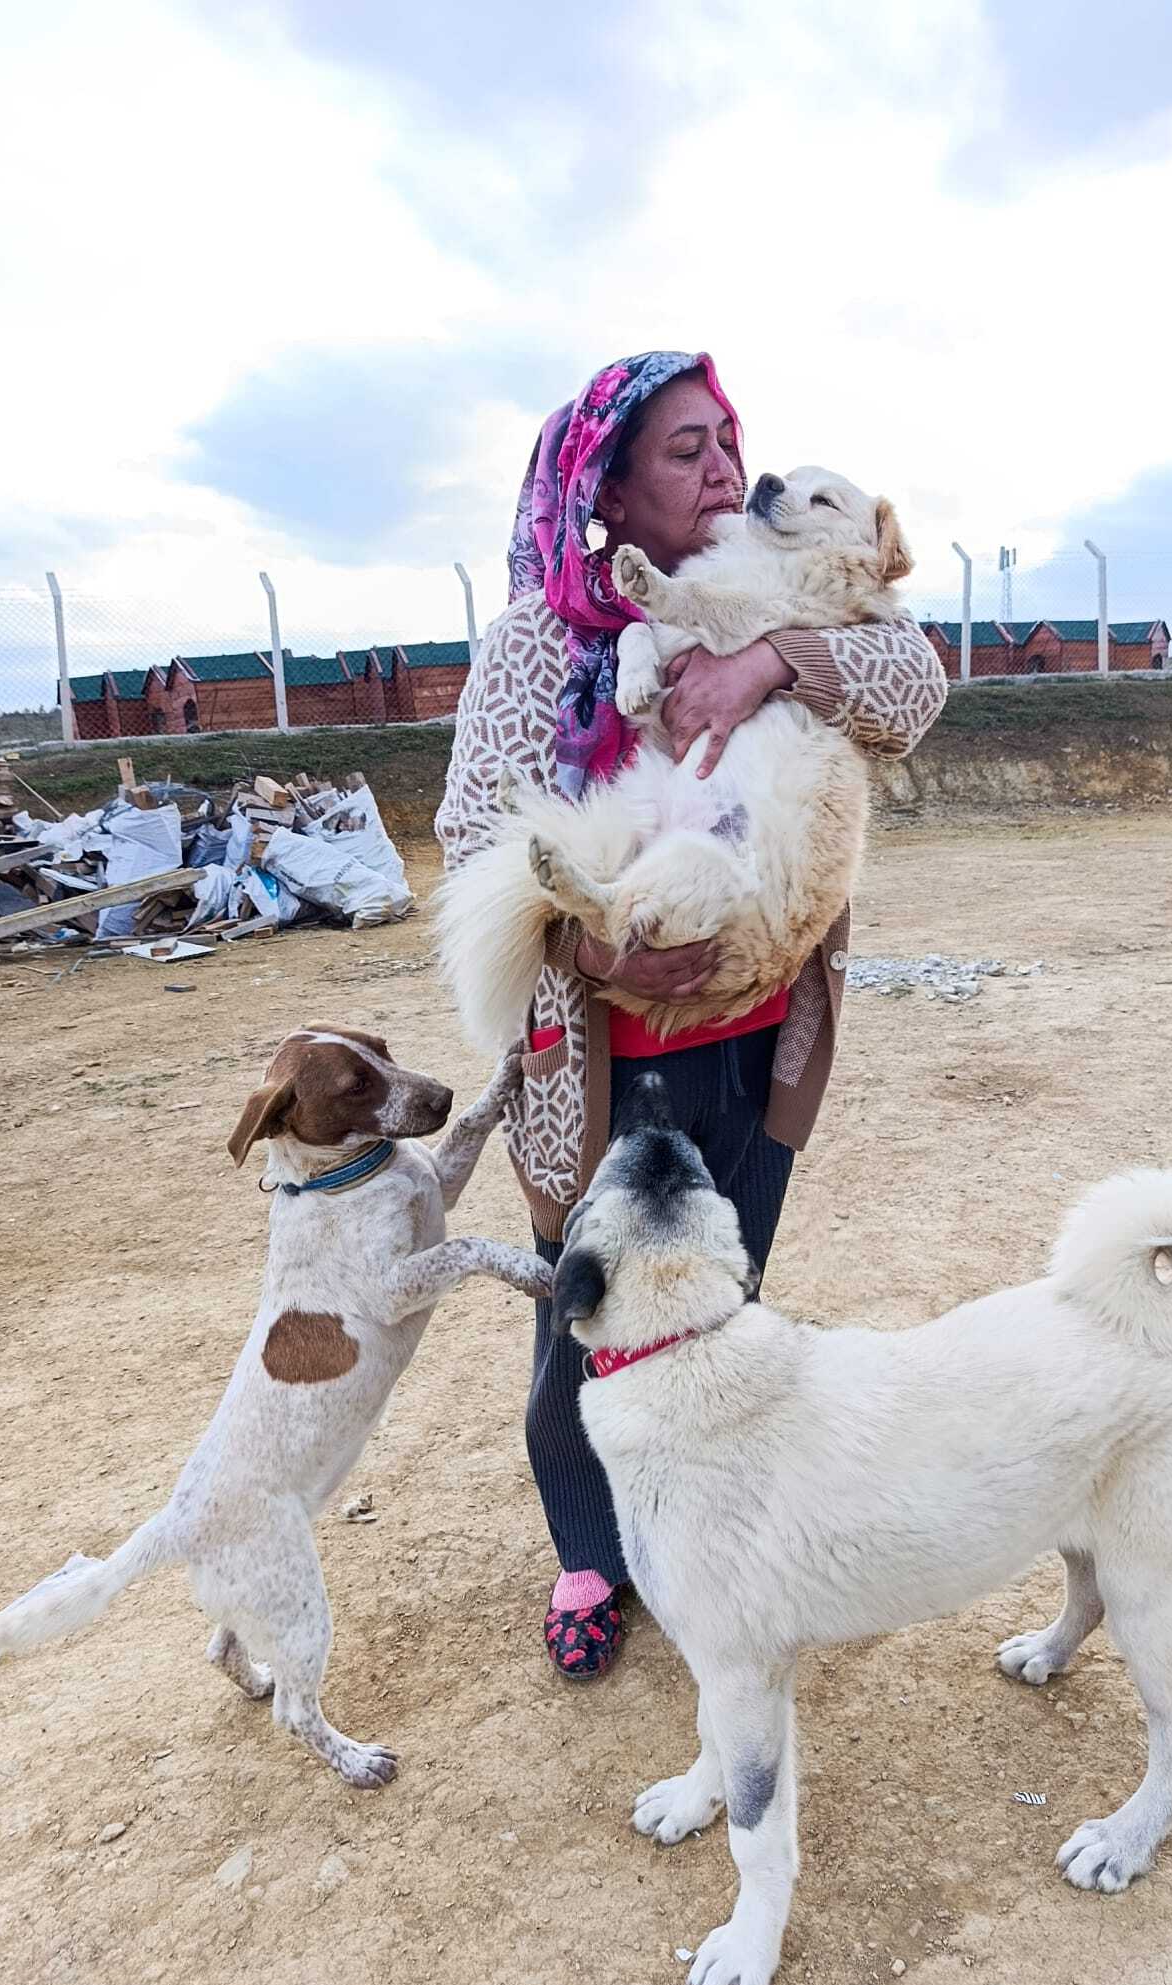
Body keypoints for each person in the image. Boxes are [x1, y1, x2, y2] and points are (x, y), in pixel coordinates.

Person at [436, 351, 947, 1680]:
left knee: (723, 1294)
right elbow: (466, 831)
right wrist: (594, 940)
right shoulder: (539, 646)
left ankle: (708, 1526)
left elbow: (917, 687)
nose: (724, 468)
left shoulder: (792, 602)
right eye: (684, 451)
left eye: (728, 441)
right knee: (585, 1311)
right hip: (601, 1061)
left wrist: (776, 658)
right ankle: (594, 1553)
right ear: (608, 484)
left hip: (758, 1036)